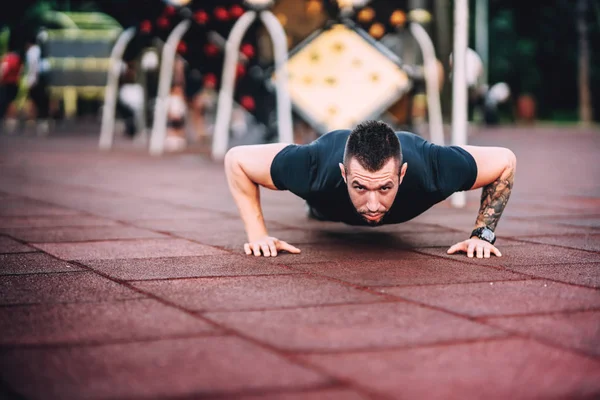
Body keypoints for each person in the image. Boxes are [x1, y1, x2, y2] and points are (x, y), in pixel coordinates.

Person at [224, 120, 516, 259]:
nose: (374, 204)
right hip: (327, 202)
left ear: (402, 174)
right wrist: (257, 235)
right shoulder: (312, 167)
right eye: (360, 187)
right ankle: (316, 207)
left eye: (385, 187)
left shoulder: (434, 168)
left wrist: (482, 235)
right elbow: (236, 159)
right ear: (344, 173)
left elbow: (505, 160)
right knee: (318, 208)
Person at [24, 36, 50, 135]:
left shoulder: (32, 52)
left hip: (37, 80)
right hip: (42, 79)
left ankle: (38, 123)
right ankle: (42, 123)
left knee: (37, 102)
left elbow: (33, 66)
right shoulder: (41, 51)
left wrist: (31, 81)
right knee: (42, 102)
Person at [0, 50, 23, 133]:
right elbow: (20, 72)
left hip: (6, 84)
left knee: (5, 102)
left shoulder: (7, 59)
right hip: (15, 84)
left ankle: (7, 122)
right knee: (11, 103)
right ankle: (11, 123)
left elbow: (3, 70)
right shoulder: (18, 60)